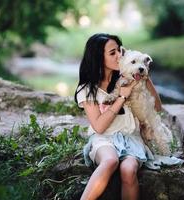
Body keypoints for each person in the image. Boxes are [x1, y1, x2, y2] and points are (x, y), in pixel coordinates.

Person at [74, 33, 163, 200]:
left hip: (131, 138)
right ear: (98, 58)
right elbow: (99, 127)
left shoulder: (129, 78)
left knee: (128, 170)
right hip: (103, 139)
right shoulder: (88, 89)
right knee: (110, 161)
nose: (119, 55)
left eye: (119, 51)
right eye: (112, 52)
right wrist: (121, 97)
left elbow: (157, 107)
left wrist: (145, 77)